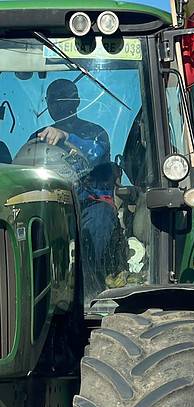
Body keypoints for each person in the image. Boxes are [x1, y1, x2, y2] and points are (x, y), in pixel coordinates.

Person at [34, 79, 119, 299]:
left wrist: (66, 137)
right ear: (47, 104)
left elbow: (94, 156)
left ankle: (91, 290)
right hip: (51, 205)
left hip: (91, 205)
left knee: (96, 226)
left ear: (77, 101)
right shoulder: (37, 138)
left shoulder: (95, 133)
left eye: (63, 99)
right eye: (52, 100)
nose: (58, 105)